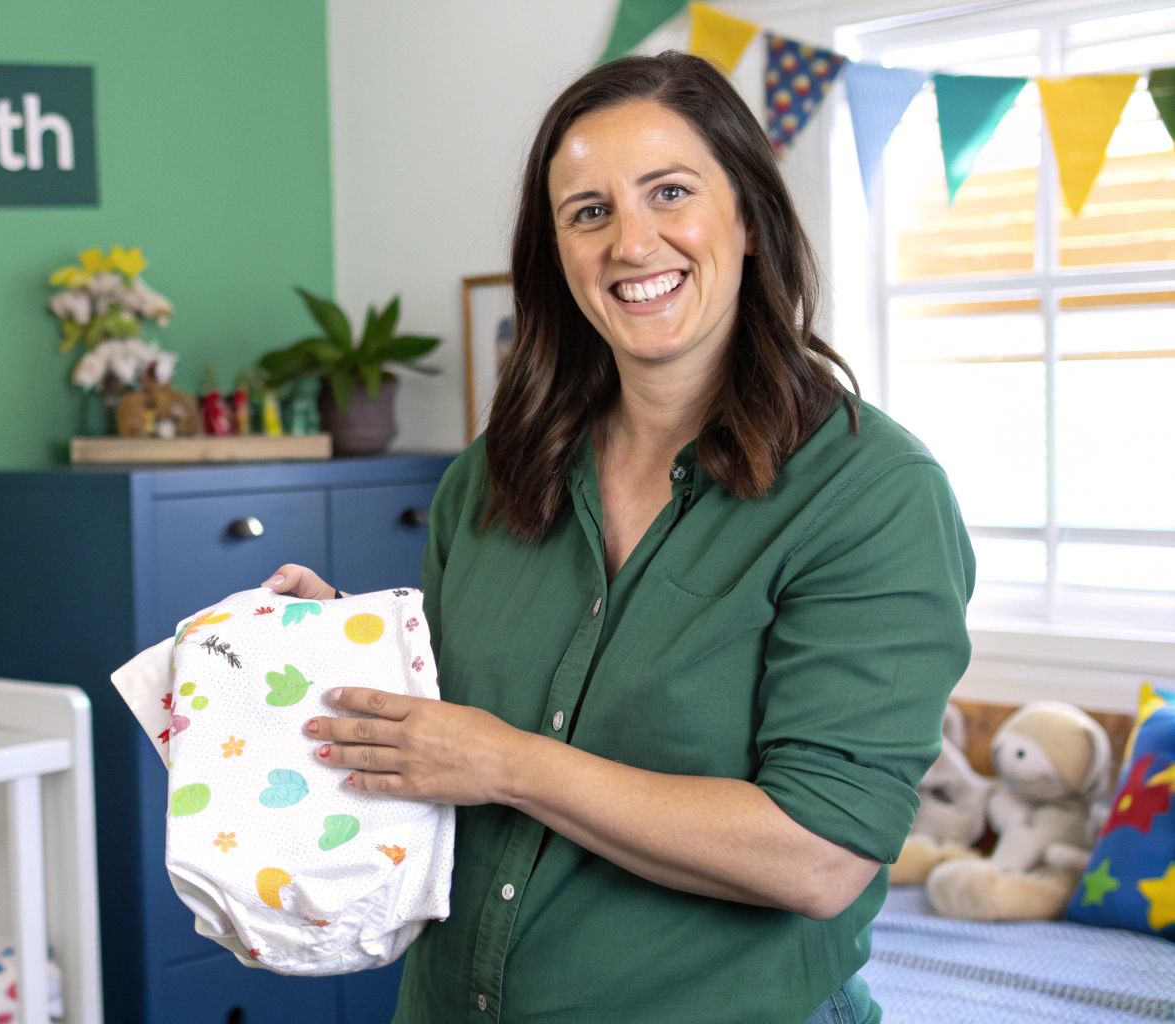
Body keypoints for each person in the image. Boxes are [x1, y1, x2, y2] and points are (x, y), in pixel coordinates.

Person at [261, 52, 974, 1024]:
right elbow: (446, 732)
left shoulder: (869, 494)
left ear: (750, 219)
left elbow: (815, 855)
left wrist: (507, 761)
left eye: (668, 193)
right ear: (553, 250)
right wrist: (331, 656)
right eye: (587, 211)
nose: (630, 243)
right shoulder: (490, 474)